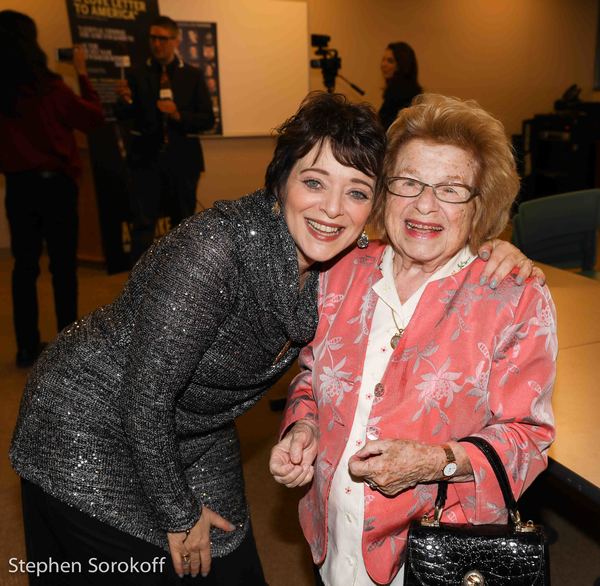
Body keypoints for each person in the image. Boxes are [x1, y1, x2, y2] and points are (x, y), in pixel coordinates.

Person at [10, 91, 537, 586]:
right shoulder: (221, 250)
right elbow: (146, 396)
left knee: (233, 562)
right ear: (281, 179)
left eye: (356, 191)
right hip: (88, 423)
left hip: (199, 426)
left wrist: (493, 246)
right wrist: (178, 512)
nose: (332, 209)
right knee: (146, 566)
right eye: (314, 182)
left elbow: (315, 366)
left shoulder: (343, 265)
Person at [270, 94, 557, 586]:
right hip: (332, 536)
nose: (425, 205)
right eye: (409, 183)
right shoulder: (340, 272)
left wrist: (434, 463)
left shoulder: (512, 296)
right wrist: (303, 428)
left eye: (451, 189)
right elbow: (309, 375)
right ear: (385, 190)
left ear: (479, 202)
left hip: (434, 555)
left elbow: (528, 438)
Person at [0, 10, 104, 368]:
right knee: (63, 267)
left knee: (24, 267)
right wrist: (82, 72)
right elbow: (92, 118)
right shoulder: (50, 87)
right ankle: (65, 344)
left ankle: (27, 347)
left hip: (18, 186)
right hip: (56, 187)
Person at [114, 15, 214, 264]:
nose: (156, 43)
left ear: (175, 40)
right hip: (145, 160)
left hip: (183, 161)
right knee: (143, 224)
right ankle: (138, 285)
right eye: (153, 38)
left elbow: (207, 119)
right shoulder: (137, 75)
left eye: (162, 38)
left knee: (183, 223)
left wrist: (178, 114)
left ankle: (181, 280)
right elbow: (124, 116)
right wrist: (125, 101)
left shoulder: (191, 75)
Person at [378, 41, 422, 130]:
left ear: (402, 65)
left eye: (390, 61)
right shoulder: (398, 93)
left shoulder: (400, 96)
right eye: (383, 59)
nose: (383, 64)